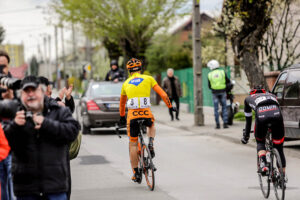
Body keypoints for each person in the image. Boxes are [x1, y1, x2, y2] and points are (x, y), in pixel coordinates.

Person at [3, 76, 80, 200]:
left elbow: (73, 131)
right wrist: (15, 125)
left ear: (42, 92)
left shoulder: (58, 111)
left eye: (34, 90)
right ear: (21, 95)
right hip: (25, 190)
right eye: (26, 91)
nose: (31, 94)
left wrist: (46, 124)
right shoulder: (15, 113)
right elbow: (4, 142)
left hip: (55, 187)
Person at [119, 58, 174, 183]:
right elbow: (163, 94)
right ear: (140, 69)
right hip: (146, 114)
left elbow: (122, 104)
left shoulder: (126, 83)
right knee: (151, 124)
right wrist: (171, 106)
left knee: (133, 144)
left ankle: (136, 173)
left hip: (133, 117)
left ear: (129, 71)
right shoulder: (148, 79)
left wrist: (122, 116)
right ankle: (150, 143)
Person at [241, 85, 286, 178]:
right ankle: (283, 176)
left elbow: (248, 120)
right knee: (279, 147)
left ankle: (264, 163)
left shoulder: (248, 99)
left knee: (260, 141)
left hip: (262, 117)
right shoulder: (272, 95)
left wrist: (246, 136)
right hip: (277, 116)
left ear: (252, 93)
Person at [0, 50, 15, 200]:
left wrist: (11, 98)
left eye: (3, 66)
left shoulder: (14, 84)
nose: (1, 70)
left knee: (13, 189)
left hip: (12, 147)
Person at [207, 59, 230, 129]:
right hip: (223, 92)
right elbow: (227, 81)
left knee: (216, 109)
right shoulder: (222, 72)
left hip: (214, 93)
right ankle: (225, 123)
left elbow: (209, 86)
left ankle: (217, 124)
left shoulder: (210, 74)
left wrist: (214, 88)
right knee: (224, 108)